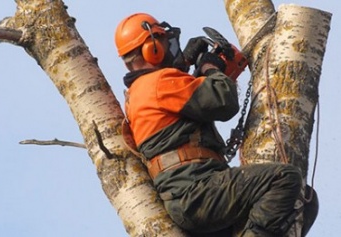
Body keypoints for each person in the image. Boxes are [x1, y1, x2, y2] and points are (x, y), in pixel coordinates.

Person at [115, 12, 317, 237]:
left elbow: (181, 103)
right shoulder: (158, 83)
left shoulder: (142, 92)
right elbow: (223, 100)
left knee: (304, 200)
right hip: (196, 192)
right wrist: (211, 69)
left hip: (194, 196)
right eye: (164, 41)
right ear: (152, 49)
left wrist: (187, 66)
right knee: (284, 179)